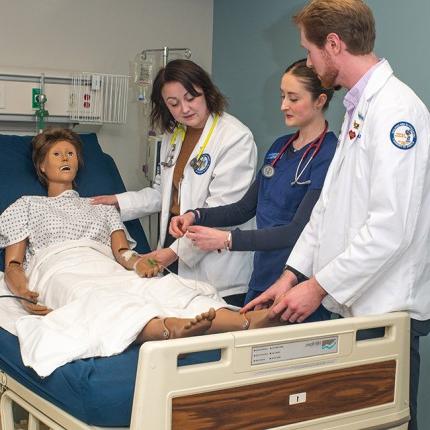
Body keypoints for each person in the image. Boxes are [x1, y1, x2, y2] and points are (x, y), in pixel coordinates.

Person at [242, 2, 430, 429]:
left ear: (333, 44)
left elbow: (390, 228)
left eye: (309, 51)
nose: (308, 61)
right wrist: (291, 276)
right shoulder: (357, 111)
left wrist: (317, 286)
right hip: (355, 305)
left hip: (387, 309)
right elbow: (328, 209)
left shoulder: (397, 112)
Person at [0, 127, 281, 378]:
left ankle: (246, 321)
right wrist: (23, 293)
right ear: (41, 166)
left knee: (164, 287)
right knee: (99, 300)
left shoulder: (101, 207)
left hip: (104, 265)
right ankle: (168, 328)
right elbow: (13, 263)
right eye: (58, 154)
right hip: (60, 269)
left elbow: (122, 252)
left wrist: (140, 264)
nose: (65, 159)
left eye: (71, 153)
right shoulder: (26, 205)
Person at [170, 59, 336, 312]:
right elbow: (244, 208)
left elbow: (296, 231)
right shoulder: (280, 148)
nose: (283, 106)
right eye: (282, 96)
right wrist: (196, 215)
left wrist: (226, 240)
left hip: (299, 282)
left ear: (320, 101)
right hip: (262, 276)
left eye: (293, 98)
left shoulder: (330, 153)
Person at [92, 59, 257, 305]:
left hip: (216, 262)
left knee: (212, 331)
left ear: (207, 92)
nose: (184, 109)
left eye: (191, 97)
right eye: (174, 103)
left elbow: (223, 213)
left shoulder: (235, 138)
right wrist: (118, 202)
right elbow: (164, 193)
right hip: (175, 241)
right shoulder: (175, 134)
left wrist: (169, 255)